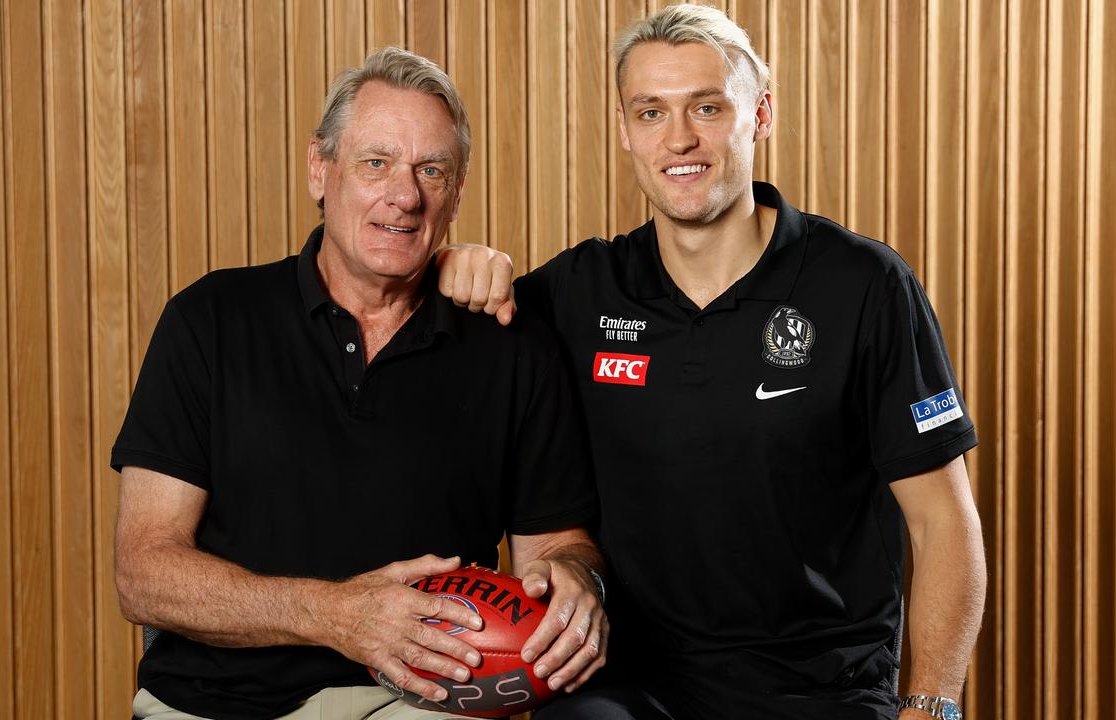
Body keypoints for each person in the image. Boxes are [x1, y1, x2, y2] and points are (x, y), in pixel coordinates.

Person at [436, 6, 986, 720]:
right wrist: (455, 268)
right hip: (628, 690)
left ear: (759, 114)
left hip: (822, 691)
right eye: (651, 112)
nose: (680, 139)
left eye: (706, 107)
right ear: (626, 129)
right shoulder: (579, 292)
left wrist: (932, 705)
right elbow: (447, 348)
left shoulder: (863, 286)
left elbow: (943, 523)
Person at [111, 47, 608, 720]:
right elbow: (144, 574)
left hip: (423, 698)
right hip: (213, 701)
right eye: (376, 162)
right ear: (321, 168)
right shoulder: (210, 320)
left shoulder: (513, 348)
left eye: (431, 170)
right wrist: (337, 615)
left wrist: (579, 580)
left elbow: (554, 546)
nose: (404, 195)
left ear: (456, 193)